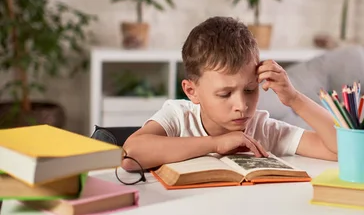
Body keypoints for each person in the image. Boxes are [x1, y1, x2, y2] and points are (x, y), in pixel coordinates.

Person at [121, 16, 337, 171]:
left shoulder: (262, 129)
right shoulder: (178, 117)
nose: (241, 105)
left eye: (250, 90)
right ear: (191, 91)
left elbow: (343, 152)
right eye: (225, 94)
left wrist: (294, 99)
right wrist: (215, 144)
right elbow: (130, 154)